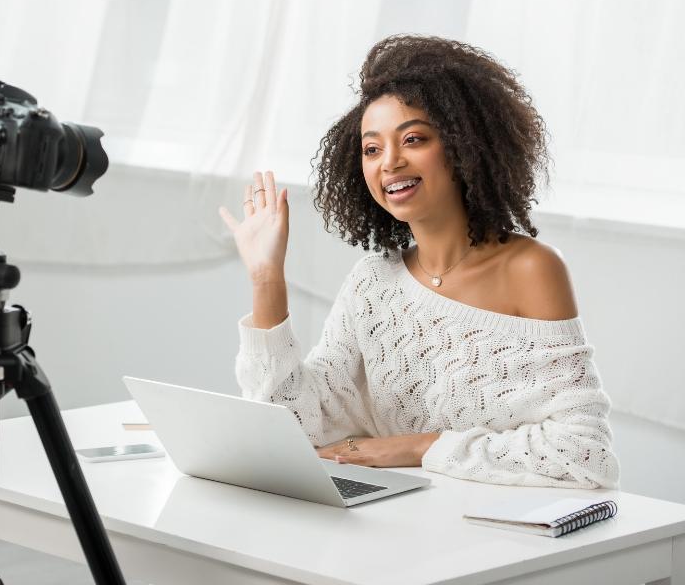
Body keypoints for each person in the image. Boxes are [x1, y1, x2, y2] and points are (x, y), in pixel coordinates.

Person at [218, 35, 619, 488]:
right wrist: (266, 276)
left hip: (502, 533)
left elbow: (585, 454)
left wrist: (420, 446)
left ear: (464, 146)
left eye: (413, 138)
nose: (389, 162)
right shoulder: (374, 282)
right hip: (401, 522)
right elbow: (299, 424)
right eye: (372, 149)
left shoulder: (531, 269)